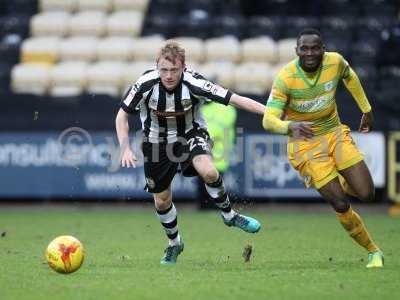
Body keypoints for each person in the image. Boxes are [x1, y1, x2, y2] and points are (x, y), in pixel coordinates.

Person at [116, 40, 265, 264]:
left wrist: (269, 112)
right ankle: (175, 244)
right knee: (162, 201)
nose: (168, 75)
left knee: (210, 172)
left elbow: (236, 100)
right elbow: (121, 116)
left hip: (191, 134)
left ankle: (230, 216)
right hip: (156, 143)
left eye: (174, 70)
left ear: (183, 67)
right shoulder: (145, 84)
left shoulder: (195, 83)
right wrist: (125, 148)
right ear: (157, 66)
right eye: (164, 69)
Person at [262, 28, 384, 268]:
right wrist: (289, 127)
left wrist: (366, 109)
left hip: (334, 134)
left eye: (314, 48)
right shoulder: (286, 77)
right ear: (296, 51)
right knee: (340, 203)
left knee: (367, 194)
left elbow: (350, 77)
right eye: (304, 49)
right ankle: (373, 250)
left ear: (323, 49)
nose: (309, 53)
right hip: (305, 146)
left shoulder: (335, 62)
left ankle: (338, 176)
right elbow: (268, 120)